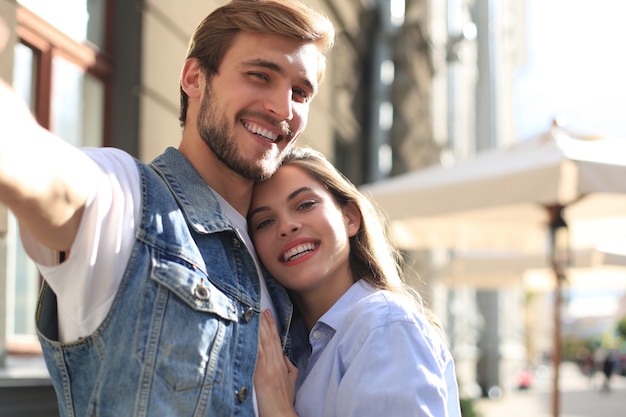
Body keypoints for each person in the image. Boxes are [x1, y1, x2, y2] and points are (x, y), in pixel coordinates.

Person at [0, 1, 334, 416]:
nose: (283, 109)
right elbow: (50, 178)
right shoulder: (132, 200)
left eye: (300, 92)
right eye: (259, 75)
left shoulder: (280, 253)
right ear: (194, 78)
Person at [248, 147, 462, 417]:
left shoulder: (382, 323)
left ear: (349, 217)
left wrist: (278, 409)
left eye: (305, 204)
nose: (286, 226)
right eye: (265, 222)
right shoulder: (299, 353)